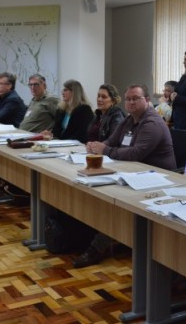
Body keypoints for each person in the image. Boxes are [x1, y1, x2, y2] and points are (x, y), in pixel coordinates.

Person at [76, 84, 175, 267]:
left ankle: (98, 247)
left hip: (156, 181)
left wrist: (106, 150)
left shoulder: (152, 122)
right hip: (131, 173)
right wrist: (97, 146)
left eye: (135, 98)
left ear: (146, 100)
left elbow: (136, 153)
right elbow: (111, 141)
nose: (130, 102)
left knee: (113, 201)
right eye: (128, 99)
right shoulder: (129, 119)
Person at [170, 50, 186, 130]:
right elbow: (177, 91)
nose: (184, 62)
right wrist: (171, 95)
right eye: (184, 60)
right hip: (177, 117)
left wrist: (178, 97)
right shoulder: (184, 77)